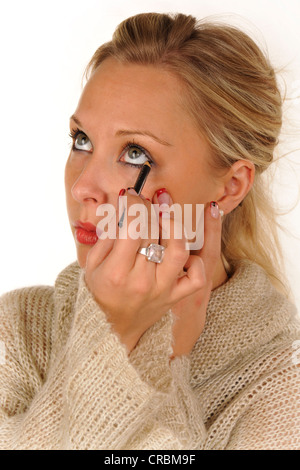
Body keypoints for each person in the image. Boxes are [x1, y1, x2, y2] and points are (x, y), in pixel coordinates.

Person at [0, 12, 299, 450]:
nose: (82, 186)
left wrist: (161, 359)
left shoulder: (284, 387)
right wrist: (121, 338)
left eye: (135, 151)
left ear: (231, 186)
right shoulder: (18, 332)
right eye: (81, 140)